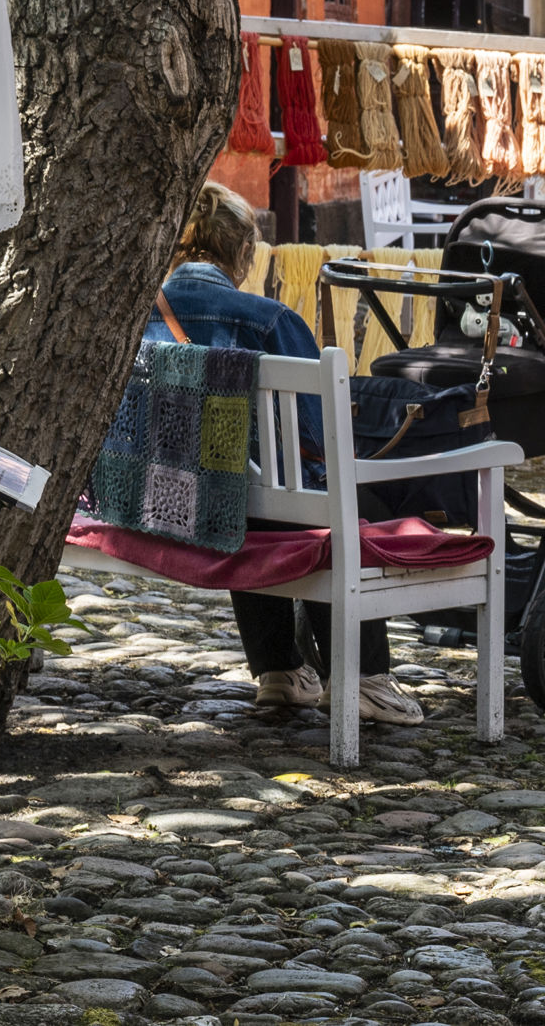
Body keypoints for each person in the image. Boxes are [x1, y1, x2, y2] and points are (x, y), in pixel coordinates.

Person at [147, 181, 428, 728]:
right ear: (241, 252)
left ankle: (281, 669)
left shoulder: (134, 314)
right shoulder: (268, 320)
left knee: (244, 491)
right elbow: (319, 436)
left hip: (165, 497)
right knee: (328, 499)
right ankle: (365, 678)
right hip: (251, 507)